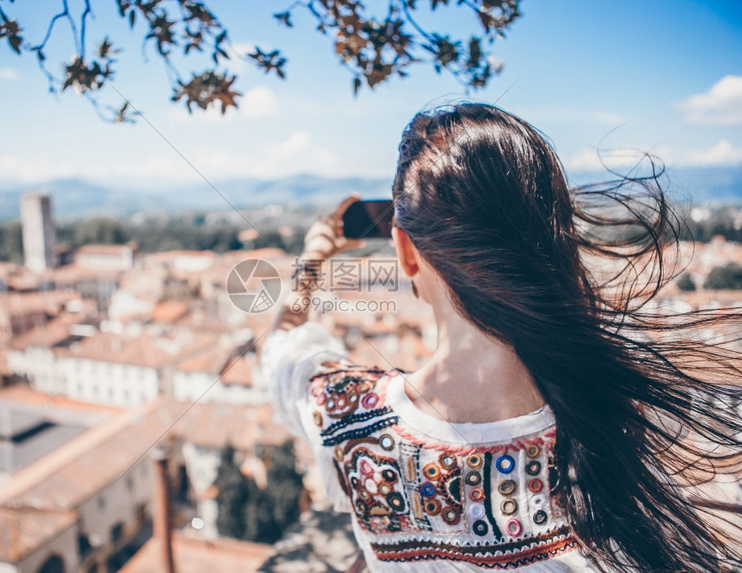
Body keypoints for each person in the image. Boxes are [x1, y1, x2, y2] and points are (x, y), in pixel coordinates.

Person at [259, 103, 742, 572]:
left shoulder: (351, 419)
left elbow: (283, 350)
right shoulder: (621, 418)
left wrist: (312, 260)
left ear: (406, 252)